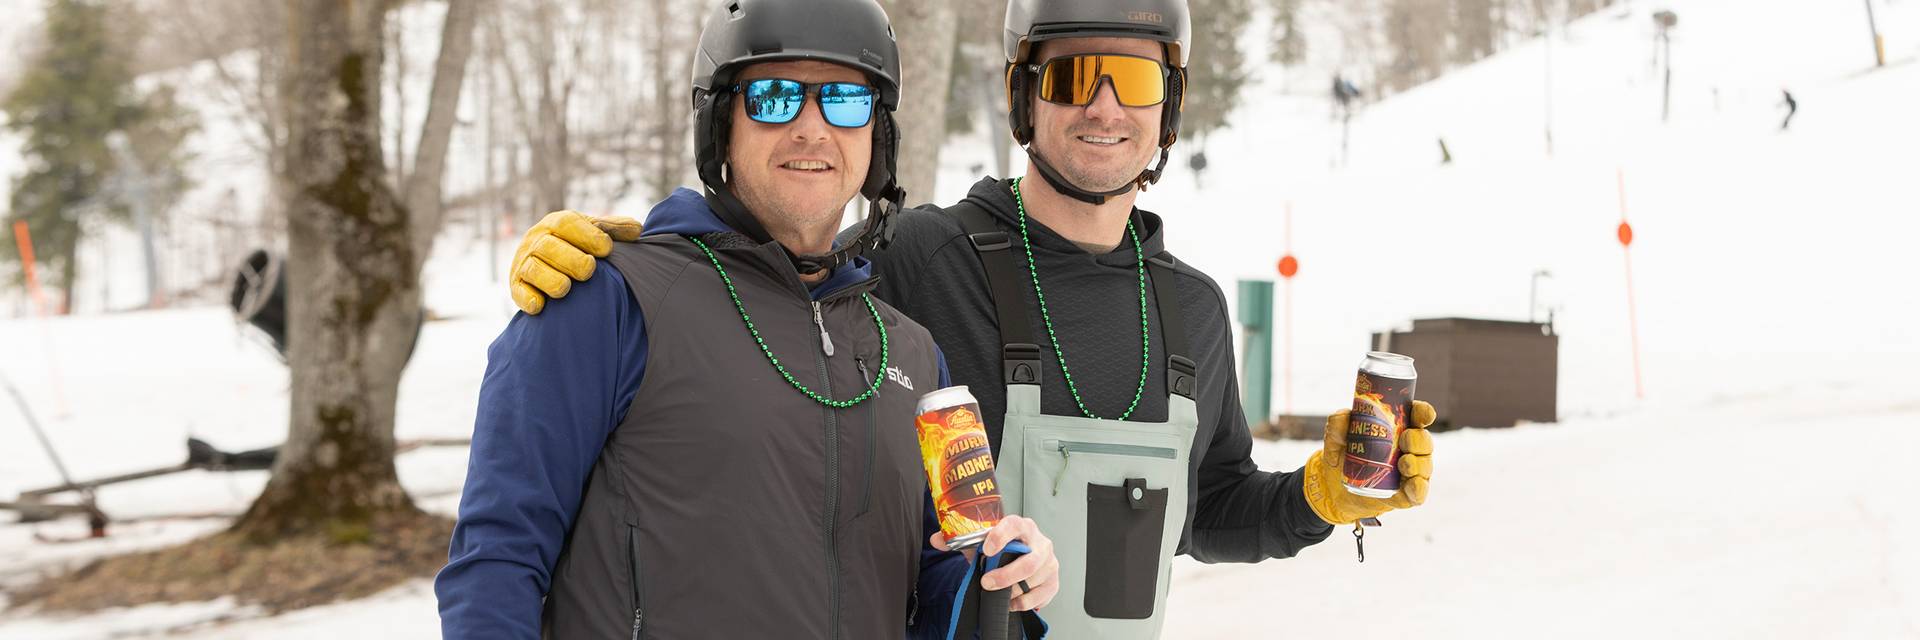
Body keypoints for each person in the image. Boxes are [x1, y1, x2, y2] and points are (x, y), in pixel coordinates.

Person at [505, 1, 1439, 637]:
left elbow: (1213, 511)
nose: (1105, 108)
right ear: (1023, 96)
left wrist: (1323, 497)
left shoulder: (1189, 307)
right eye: (1074, 76)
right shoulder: (918, 258)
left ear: (1173, 108)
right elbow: (772, 274)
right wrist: (622, 247)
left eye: (1136, 81)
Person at [434, 1, 1058, 637]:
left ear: (879, 137)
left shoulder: (917, 356)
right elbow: (497, 560)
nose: (813, 129)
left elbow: (938, 586)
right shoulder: (607, 301)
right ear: (720, 124)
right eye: (776, 96)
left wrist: (1001, 578)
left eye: (845, 100)